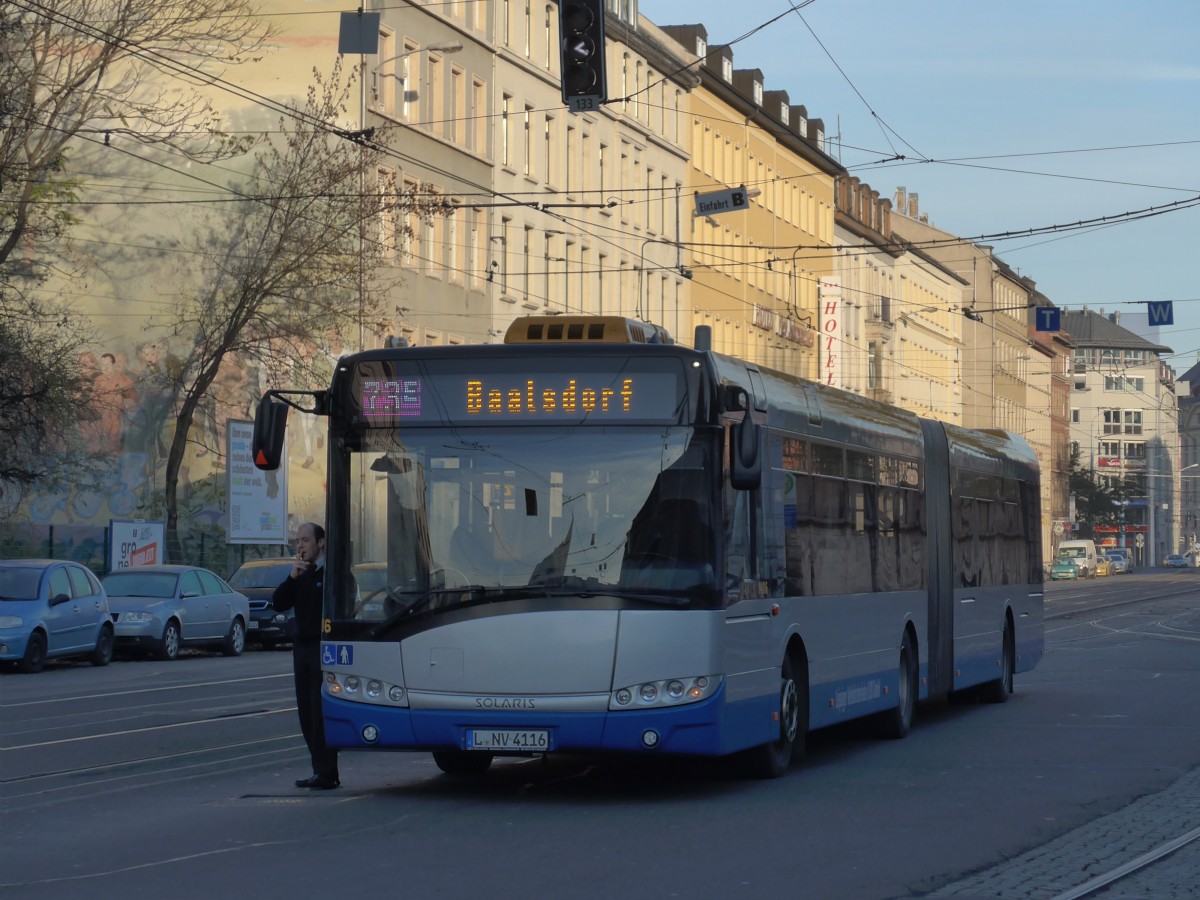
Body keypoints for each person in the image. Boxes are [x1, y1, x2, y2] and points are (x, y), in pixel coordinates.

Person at [273, 522, 340, 789]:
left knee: (318, 710)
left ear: (320, 543)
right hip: (301, 649)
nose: (299, 546)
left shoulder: (333, 574)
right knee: (305, 712)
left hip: (323, 649)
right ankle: (319, 769)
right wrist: (292, 578)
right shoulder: (301, 575)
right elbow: (279, 602)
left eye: (305, 540)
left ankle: (327, 772)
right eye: (297, 541)